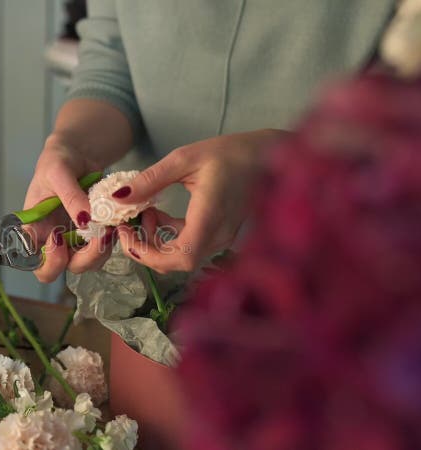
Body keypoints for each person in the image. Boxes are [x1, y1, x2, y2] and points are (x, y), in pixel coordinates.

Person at [25, 0, 396, 282]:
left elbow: (416, 124)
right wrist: (72, 144)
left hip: (335, 275)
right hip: (136, 264)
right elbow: (112, 59)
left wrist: (278, 158)